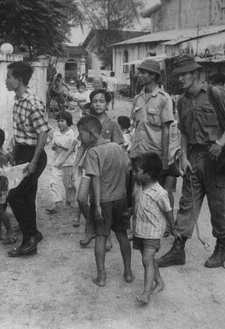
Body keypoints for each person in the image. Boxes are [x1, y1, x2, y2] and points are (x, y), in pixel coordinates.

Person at [156, 55, 225, 269]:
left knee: (220, 205)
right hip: (194, 156)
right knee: (188, 203)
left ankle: (221, 250)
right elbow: (184, 132)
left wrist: (221, 143)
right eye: (178, 75)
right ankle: (178, 249)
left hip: (217, 157)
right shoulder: (182, 101)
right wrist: (184, 157)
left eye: (184, 74)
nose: (180, 79)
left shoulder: (216, 94)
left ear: (196, 74)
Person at [77, 115, 134, 287]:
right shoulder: (117, 148)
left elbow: (95, 179)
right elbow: (128, 171)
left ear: (92, 133)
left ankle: (101, 276)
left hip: (103, 202)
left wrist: (96, 205)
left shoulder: (92, 153)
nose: (80, 138)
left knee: (101, 237)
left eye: (81, 134)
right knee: (122, 235)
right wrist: (129, 198)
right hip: (121, 199)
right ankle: (128, 272)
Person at [5, 61, 51, 257]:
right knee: (28, 197)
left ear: (19, 80)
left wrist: (33, 162)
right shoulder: (17, 101)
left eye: (9, 77)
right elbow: (19, 134)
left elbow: (43, 134)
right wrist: (14, 156)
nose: (6, 81)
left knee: (14, 196)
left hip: (34, 156)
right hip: (22, 154)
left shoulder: (32, 103)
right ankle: (33, 234)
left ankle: (29, 238)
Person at [73, 89, 124, 250]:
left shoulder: (112, 123)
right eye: (95, 101)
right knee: (81, 199)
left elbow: (119, 146)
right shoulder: (88, 121)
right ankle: (93, 228)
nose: (98, 104)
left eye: (101, 101)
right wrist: (75, 165)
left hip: (106, 171)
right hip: (89, 166)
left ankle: (104, 234)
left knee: (101, 202)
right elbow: (82, 145)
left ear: (107, 103)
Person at [129, 59, 177, 214]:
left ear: (153, 76)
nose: (139, 75)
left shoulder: (164, 98)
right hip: (139, 152)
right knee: (138, 191)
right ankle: (138, 224)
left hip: (155, 154)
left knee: (160, 191)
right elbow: (135, 127)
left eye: (143, 73)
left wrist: (164, 160)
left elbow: (166, 129)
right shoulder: (138, 98)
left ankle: (168, 225)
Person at [131, 153, 176, 304]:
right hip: (140, 230)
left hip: (153, 232)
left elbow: (168, 210)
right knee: (148, 259)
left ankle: (145, 294)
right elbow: (136, 203)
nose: (134, 173)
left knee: (146, 259)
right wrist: (129, 213)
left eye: (137, 171)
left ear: (148, 175)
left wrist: (172, 227)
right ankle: (159, 282)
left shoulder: (160, 193)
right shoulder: (138, 187)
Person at [45, 111, 78, 222]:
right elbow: (54, 146)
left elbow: (72, 149)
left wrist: (60, 146)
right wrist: (54, 147)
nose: (60, 123)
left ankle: (70, 199)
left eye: (62, 121)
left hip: (68, 162)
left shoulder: (72, 134)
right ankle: (55, 203)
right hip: (57, 162)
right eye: (58, 121)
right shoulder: (55, 134)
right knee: (54, 182)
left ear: (68, 122)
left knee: (69, 183)